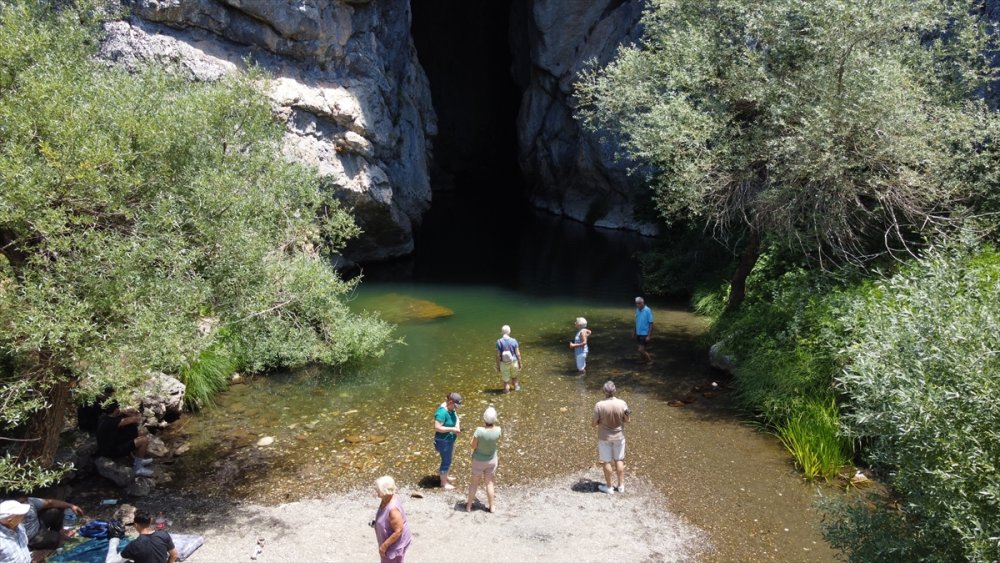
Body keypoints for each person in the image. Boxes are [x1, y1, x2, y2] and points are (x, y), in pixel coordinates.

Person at [96, 402, 154, 478]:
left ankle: (136, 460)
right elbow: (136, 419)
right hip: (112, 450)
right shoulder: (114, 421)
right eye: (118, 408)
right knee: (144, 440)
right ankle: (138, 468)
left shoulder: (104, 417)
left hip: (111, 443)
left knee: (141, 433)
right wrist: (127, 412)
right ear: (116, 410)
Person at [592, 380, 630, 494]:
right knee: (619, 460)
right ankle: (621, 486)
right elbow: (628, 420)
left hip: (604, 437)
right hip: (619, 436)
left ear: (604, 391)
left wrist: (600, 422)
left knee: (606, 462)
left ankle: (609, 487)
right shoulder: (622, 403)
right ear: (614, 390)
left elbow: (593, 424)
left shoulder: (599, 405)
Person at [14, 495, 83, 551]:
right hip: (29, 538)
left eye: (24, 500)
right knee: (55, 539)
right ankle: (34, 547)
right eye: (21, 501)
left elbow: (50, 503)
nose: (25, 502)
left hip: (38, 526)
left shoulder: (29, 501)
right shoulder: (9, 514)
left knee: (54, 510)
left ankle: (55, 533)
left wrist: (71, 506)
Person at [466, 406, 502, 513]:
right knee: (489, 483)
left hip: (478, 461)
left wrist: (470, 439)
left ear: (484, 418)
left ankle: (468, 507)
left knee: (474, 484)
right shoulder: (498, 430)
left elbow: (473, 446)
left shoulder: (479, 431)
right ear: (495, 419)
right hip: (491, 460)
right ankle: (492, 507)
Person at [106, 510, 177, 563]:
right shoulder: (163, 535)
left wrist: (114, 538)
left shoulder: (134, 545)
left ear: (136, 525)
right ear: (149, 522)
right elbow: (174, 555)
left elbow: (110, 562)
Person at [372, 476, 412, 563]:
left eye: (378, 490)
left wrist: (384, 547)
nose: (376, 491)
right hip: (387, 541)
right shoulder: (386, 499)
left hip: (393, 546)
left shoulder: (393, 510)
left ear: (385, 491)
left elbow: (398, 531)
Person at [433, 392, 462, 489]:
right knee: (446, 461)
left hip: (449, 440)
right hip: (443, 441)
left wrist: (457, 425)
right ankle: (443, 483)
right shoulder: (442, 412)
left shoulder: (451, 408)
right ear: (450, 402)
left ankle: (446, 476)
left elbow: (456, 417)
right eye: (455, 405)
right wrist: (452, 429)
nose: (456, 408)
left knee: (448, 459)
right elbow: (437, 427)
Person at [495, 325, 523, 393]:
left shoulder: (499, 342)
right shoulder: (514, 341)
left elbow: (498, 355)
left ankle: (506, 391)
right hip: (514, 362)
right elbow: (518, 354)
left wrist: (498, 366)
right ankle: (516, 388)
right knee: (514, 377)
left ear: (502, 332)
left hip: (504, 363)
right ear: (509, 332)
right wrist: (520, 363)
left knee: (506, 380)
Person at [633, 297, 654, 363]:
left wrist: (649, 335)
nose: (637, 305)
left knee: (641, 350)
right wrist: (634, 331)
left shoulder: (648, 310)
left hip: (644, 334)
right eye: (636, 303)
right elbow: (637, 321)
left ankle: (650, 362)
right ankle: (644, 361)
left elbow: (651, 323)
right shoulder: (637, 310)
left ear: (643, 303)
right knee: (640, 350)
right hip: (638, 333)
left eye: (639, 303)